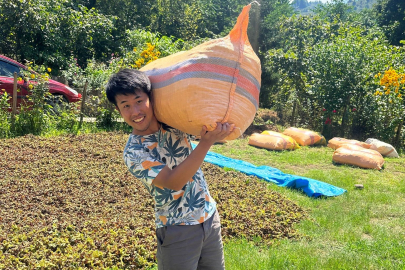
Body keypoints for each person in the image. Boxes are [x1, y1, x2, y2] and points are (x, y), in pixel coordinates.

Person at [105, 68, 234, 270]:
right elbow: (174, 182)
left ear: (151, 98)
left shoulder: (172, 123)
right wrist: (206, 143)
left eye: (139, 101)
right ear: (118, 110)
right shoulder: (135, 152)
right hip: (178, 229)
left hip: (209, 216)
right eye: (126, 105)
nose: (135, 112)